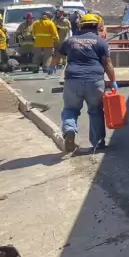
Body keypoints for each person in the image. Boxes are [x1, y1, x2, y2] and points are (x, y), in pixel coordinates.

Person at [51, 13, 118, 153]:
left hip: (72, 80)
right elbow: (107, 63)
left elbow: (57, 55)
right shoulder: (101, 42)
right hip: (95, 81)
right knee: (96, 111)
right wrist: (113, 81)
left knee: (70, 109)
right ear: (97, 26)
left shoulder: (70, 40)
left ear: (80, 26)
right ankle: (98, 143)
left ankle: (69, 129)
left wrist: (51, 66)